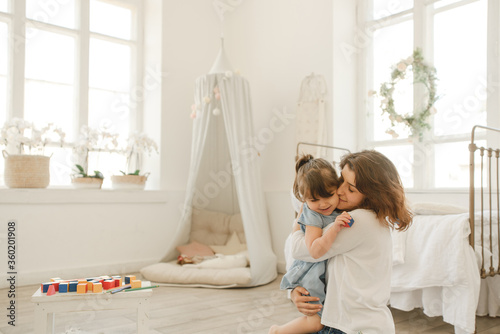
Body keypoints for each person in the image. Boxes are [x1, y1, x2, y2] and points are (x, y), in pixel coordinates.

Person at [288, 150, 413, 334]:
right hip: (357, 323)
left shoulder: (357, 221)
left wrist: (303, 215)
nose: (339, 191)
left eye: (351, 188)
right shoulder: (373, 218)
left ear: (372, 195)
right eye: (341, 181)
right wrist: (293, 292)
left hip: (352, 327)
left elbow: (300, 249)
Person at [269, 155, 353, 334]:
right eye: (314, 200)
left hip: (321, 272)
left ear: (336, 187)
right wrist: (334, 228)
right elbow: (314, 250)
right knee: (316, 322)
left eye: (328, 195)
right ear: (304, 199)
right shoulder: (312, 215)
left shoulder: (337, 205)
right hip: (310, 271)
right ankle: (277, 331)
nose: (323, 204)